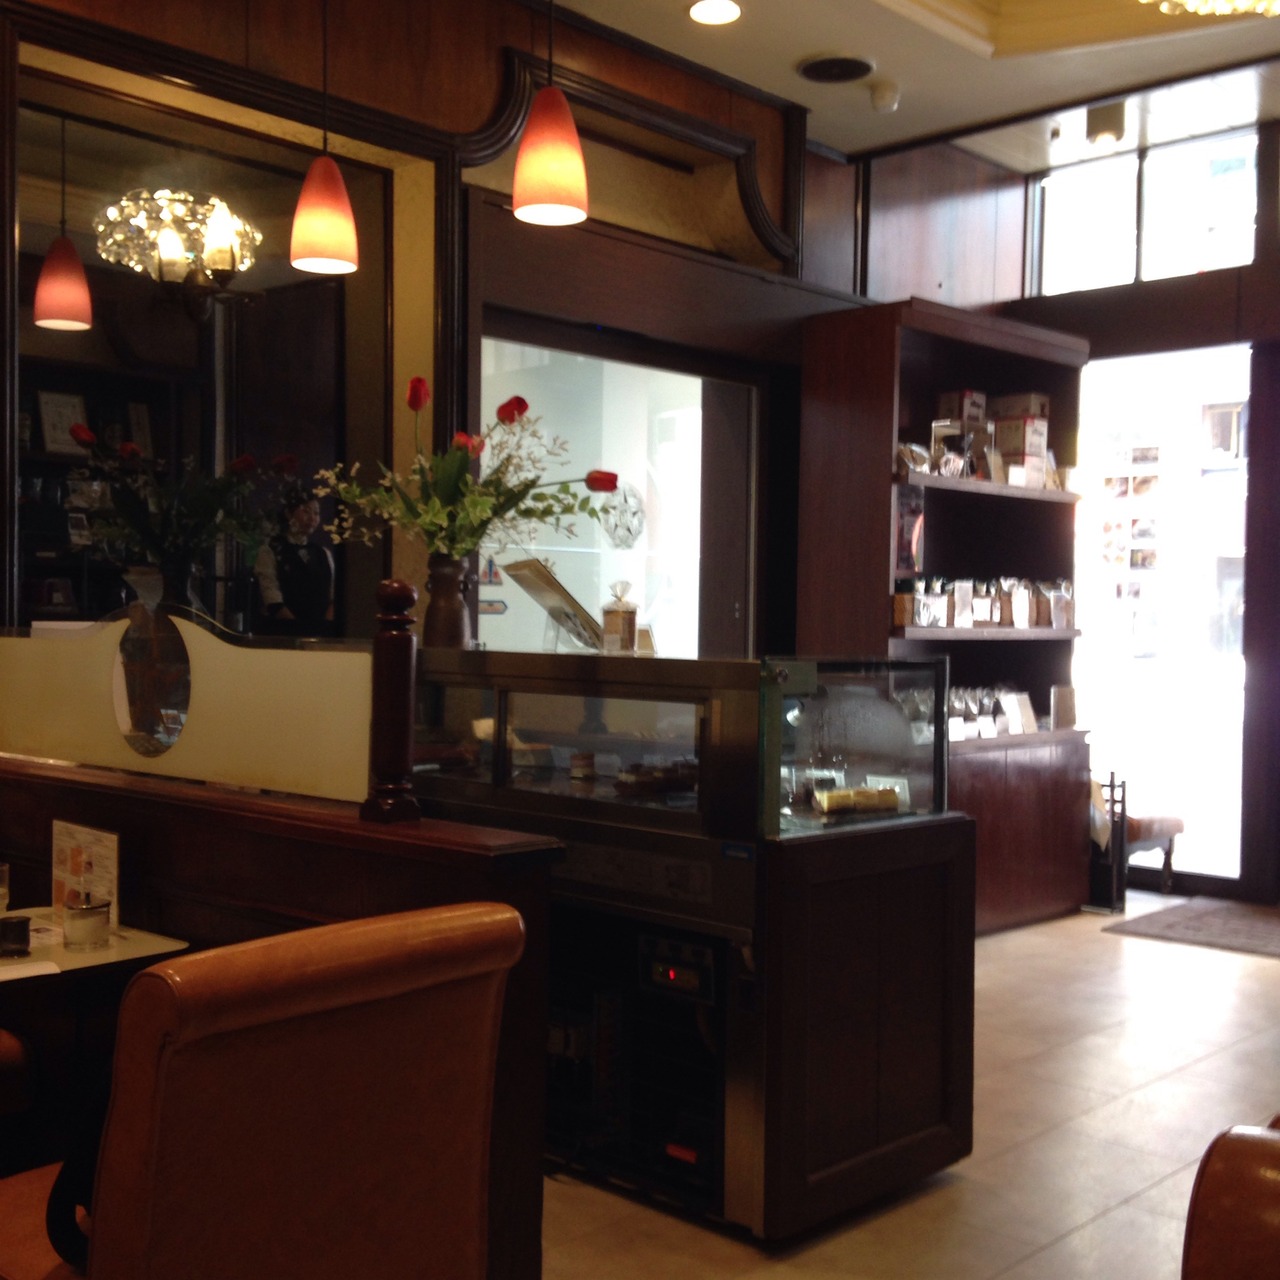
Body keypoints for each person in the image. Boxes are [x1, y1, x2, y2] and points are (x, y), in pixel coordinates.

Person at [254, 485, 335, 636]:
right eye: (306, 511)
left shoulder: (323, 553)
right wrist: (299, 630)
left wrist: (324, 626)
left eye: (316, 513)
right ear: (288, 513)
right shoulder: (270, 551)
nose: (312, 518)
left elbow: (333, 597)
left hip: (322, 633)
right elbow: (272, 599)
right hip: (285, 633)